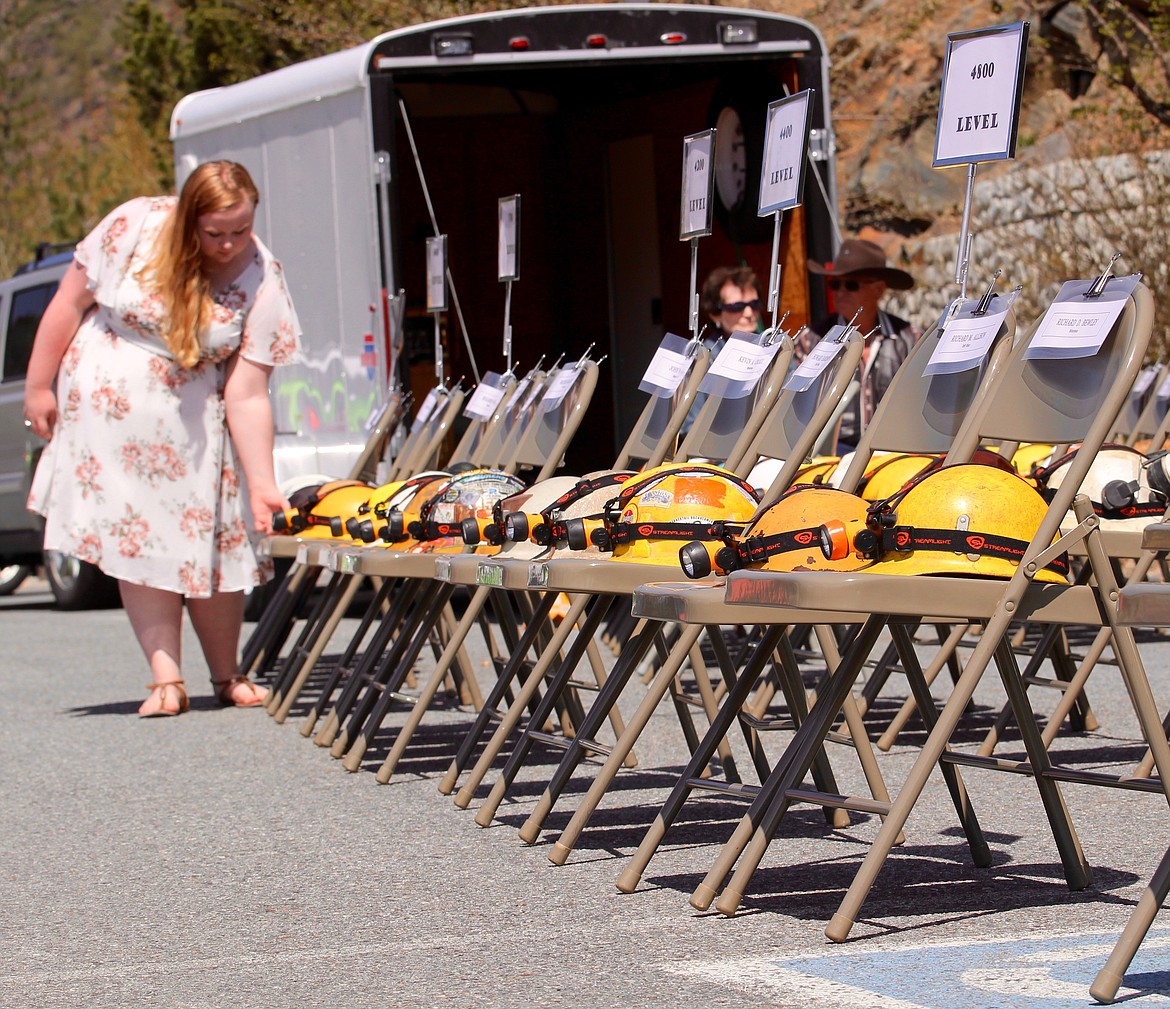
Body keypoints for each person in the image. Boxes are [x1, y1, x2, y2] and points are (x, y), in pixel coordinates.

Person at [24, 161, 302, 718]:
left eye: (240, 230)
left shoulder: (261, 277)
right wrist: (38, 386)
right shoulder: (132, 226)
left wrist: (263, 484)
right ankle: (166, 679)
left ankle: (228, 674)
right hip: (110, 416)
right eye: (213, 232)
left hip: (197, 419)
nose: (228, 245)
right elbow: (68, 303)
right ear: (185, 220)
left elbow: (247, 393)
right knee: (141, 542)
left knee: (221, 539)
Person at [802, 238, 919, 454]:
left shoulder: (909, 338)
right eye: (835, 284)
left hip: (892, 451)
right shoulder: (811, 341)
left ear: (879, 290)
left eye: (851, 284)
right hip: (832, 453)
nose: (840, 292)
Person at [681, 265, 763, 434]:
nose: (748, 313)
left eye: (754, 304)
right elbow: (689, 425)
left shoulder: (778, 351)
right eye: (736, 307)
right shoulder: (702, 359)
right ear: (714, 313)